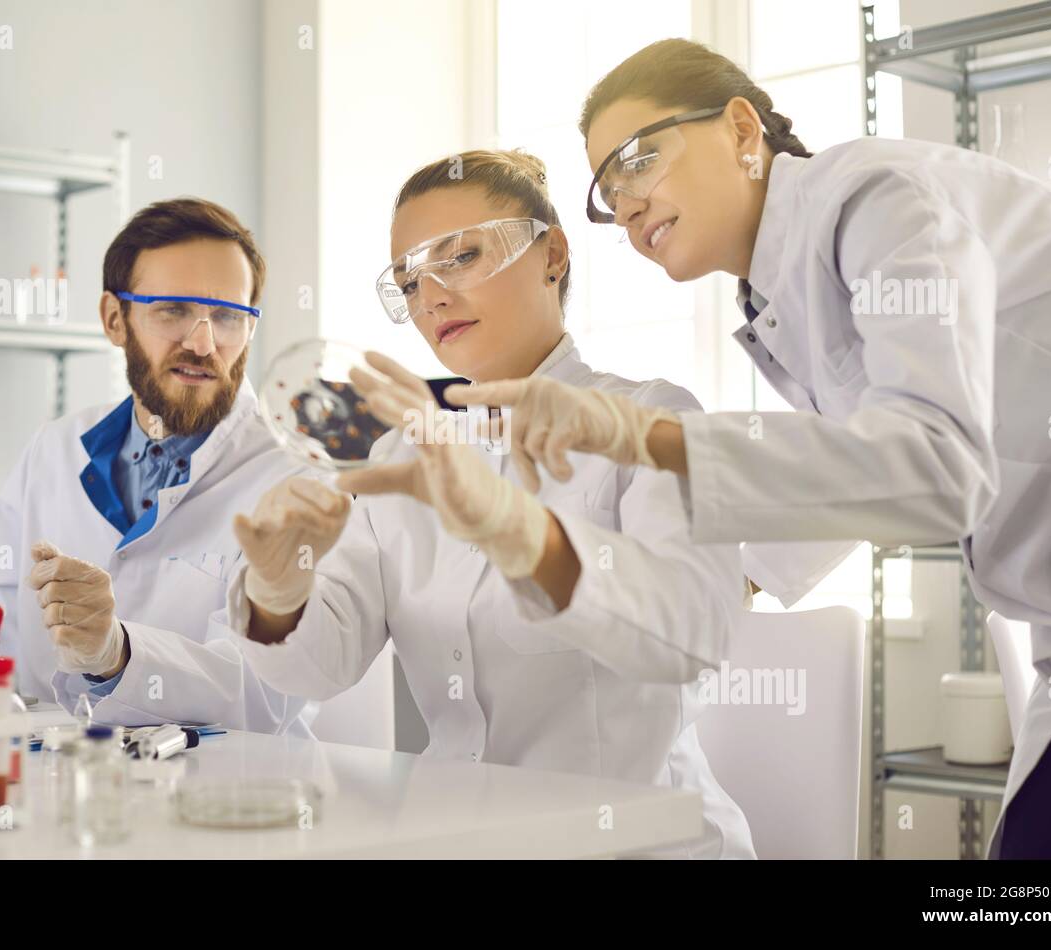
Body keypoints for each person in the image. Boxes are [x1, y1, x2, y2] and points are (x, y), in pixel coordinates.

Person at [447, 39, 1051, 859]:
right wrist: (717, 579)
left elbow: (937, 466)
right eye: (607, 192)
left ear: (739, 127)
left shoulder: (875, 198)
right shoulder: (783, 286)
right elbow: (866, 456)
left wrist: (644, 439)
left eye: (638, 160)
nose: (625, 205)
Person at [226, 149, 755, 858]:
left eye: (462, 256)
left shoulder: (651, 420)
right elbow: (322, 667)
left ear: (554, 254)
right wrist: (278, 589)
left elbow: (689, 635)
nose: (432, 297)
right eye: (410, 282)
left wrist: (516, 529)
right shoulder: (398, 458)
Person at [0, 197, 312, 734]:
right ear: (114, 318)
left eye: (227, 317)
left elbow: (268, 690)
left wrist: (117, 653)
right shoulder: (56, 449)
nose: (203, 343)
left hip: (224, 800)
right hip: (67, 790)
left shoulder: (294, 477)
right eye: (172, 310)